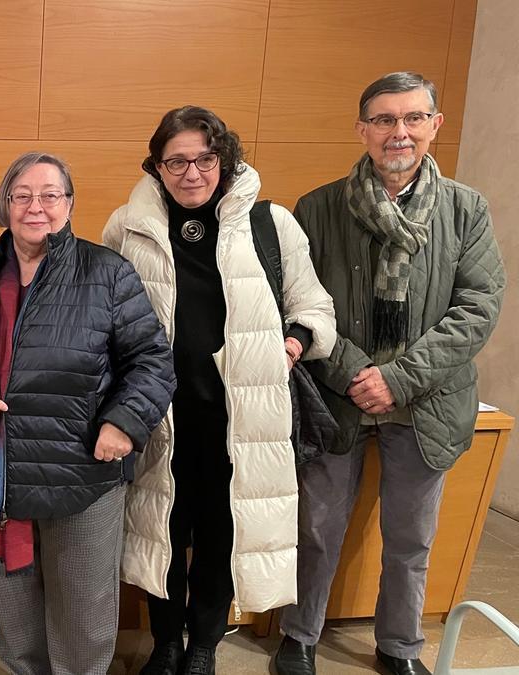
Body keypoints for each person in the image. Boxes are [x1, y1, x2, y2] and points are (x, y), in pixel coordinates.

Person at [274, 72, 505, 675]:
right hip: (338, 394)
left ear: (435, 125)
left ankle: (399, 647)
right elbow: (302, 302)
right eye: (383, 119)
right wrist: (356, 372)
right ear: (362, 129)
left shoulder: (466, 209)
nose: (398, 132)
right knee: (318, 529)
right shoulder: (318, 208)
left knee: (411, 541)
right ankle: (298, 636)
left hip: (426, 401)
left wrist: (398, 378)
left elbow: (477, 308)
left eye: (412, 118)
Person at [103, 106, 335, 675]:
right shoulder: (125, 226)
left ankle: (205, 642)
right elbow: (102, 314)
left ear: (224, 160)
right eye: (176, 161)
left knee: (219, 532)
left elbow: (313, 306)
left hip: (240, 417)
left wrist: (293, 342)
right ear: (156, 166)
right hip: (158, 414)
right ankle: (163, 643)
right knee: (160, 529)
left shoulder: (271, 224)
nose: (192, 172)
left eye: (205, 158)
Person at [0, 152, 175, 675]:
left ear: (69, 204)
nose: (36, 207)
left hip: (82, 473)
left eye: (50, 195)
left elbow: (152, 361)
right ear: (5, 205)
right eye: (22, 195)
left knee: (82, 614)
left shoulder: (107, 273)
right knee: (13, 613)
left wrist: (124, 423)